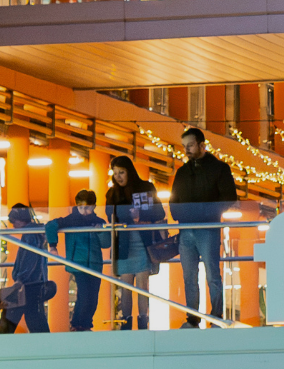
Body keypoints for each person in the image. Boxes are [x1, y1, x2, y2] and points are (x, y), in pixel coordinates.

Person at [170, 128, 240, 327]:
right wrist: (180, 216)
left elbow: (229, 197)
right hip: (188, 229)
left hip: (207, 227)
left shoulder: (219, 169)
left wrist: (206, 213)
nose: (186, 150)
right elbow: (174, 200)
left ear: (202, 145)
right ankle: (193, 318)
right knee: (189, 275)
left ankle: (215, 316)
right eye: (184, 146)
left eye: (190, 145)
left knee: (211, 274)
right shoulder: (183, 172)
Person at [104, 156, 166, 331]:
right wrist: (126, 216)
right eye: (115, 173)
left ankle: (143, 321)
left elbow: (159, 212)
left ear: (129, 171)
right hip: (123, 243)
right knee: (125, 286)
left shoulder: (146, 188)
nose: (118, 177)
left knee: (142, 284)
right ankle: (126, 323)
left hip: (143, 242)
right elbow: (110, 217)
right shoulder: (112, 193)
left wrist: (142, 216)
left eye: (121, 172)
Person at [51, 189, 108, 332]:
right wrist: (53, 246)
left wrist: (100, 231)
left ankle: (86, 324)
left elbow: (106, 243)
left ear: (94, 206)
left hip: (94, 264)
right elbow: (50, 226)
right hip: (78, 264)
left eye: (87, 208)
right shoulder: (71, 220)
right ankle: (78, 323)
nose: (84, 211)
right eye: (81, 207)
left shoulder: (98, 222)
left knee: (93, 297)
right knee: (84, 295)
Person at [0, 202, 54, 334]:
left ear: (21, 219)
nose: (13, 225)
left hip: (26, 285)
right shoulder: (36, 233)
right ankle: (47, 347)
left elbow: (28, 258)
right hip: (35, 285)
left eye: (14, 221)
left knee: (9, 317)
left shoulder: (30, 234)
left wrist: (19, 280)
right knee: (35, 319)